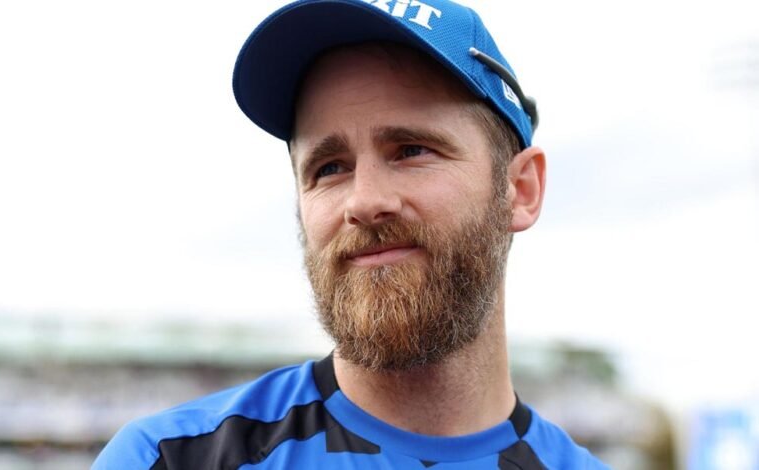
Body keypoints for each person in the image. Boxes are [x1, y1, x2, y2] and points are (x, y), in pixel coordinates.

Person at [93, 1, 608, 468]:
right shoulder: (169, 459)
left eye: (412, 150)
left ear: (521, 190)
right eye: (330, 167)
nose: (363, 202)